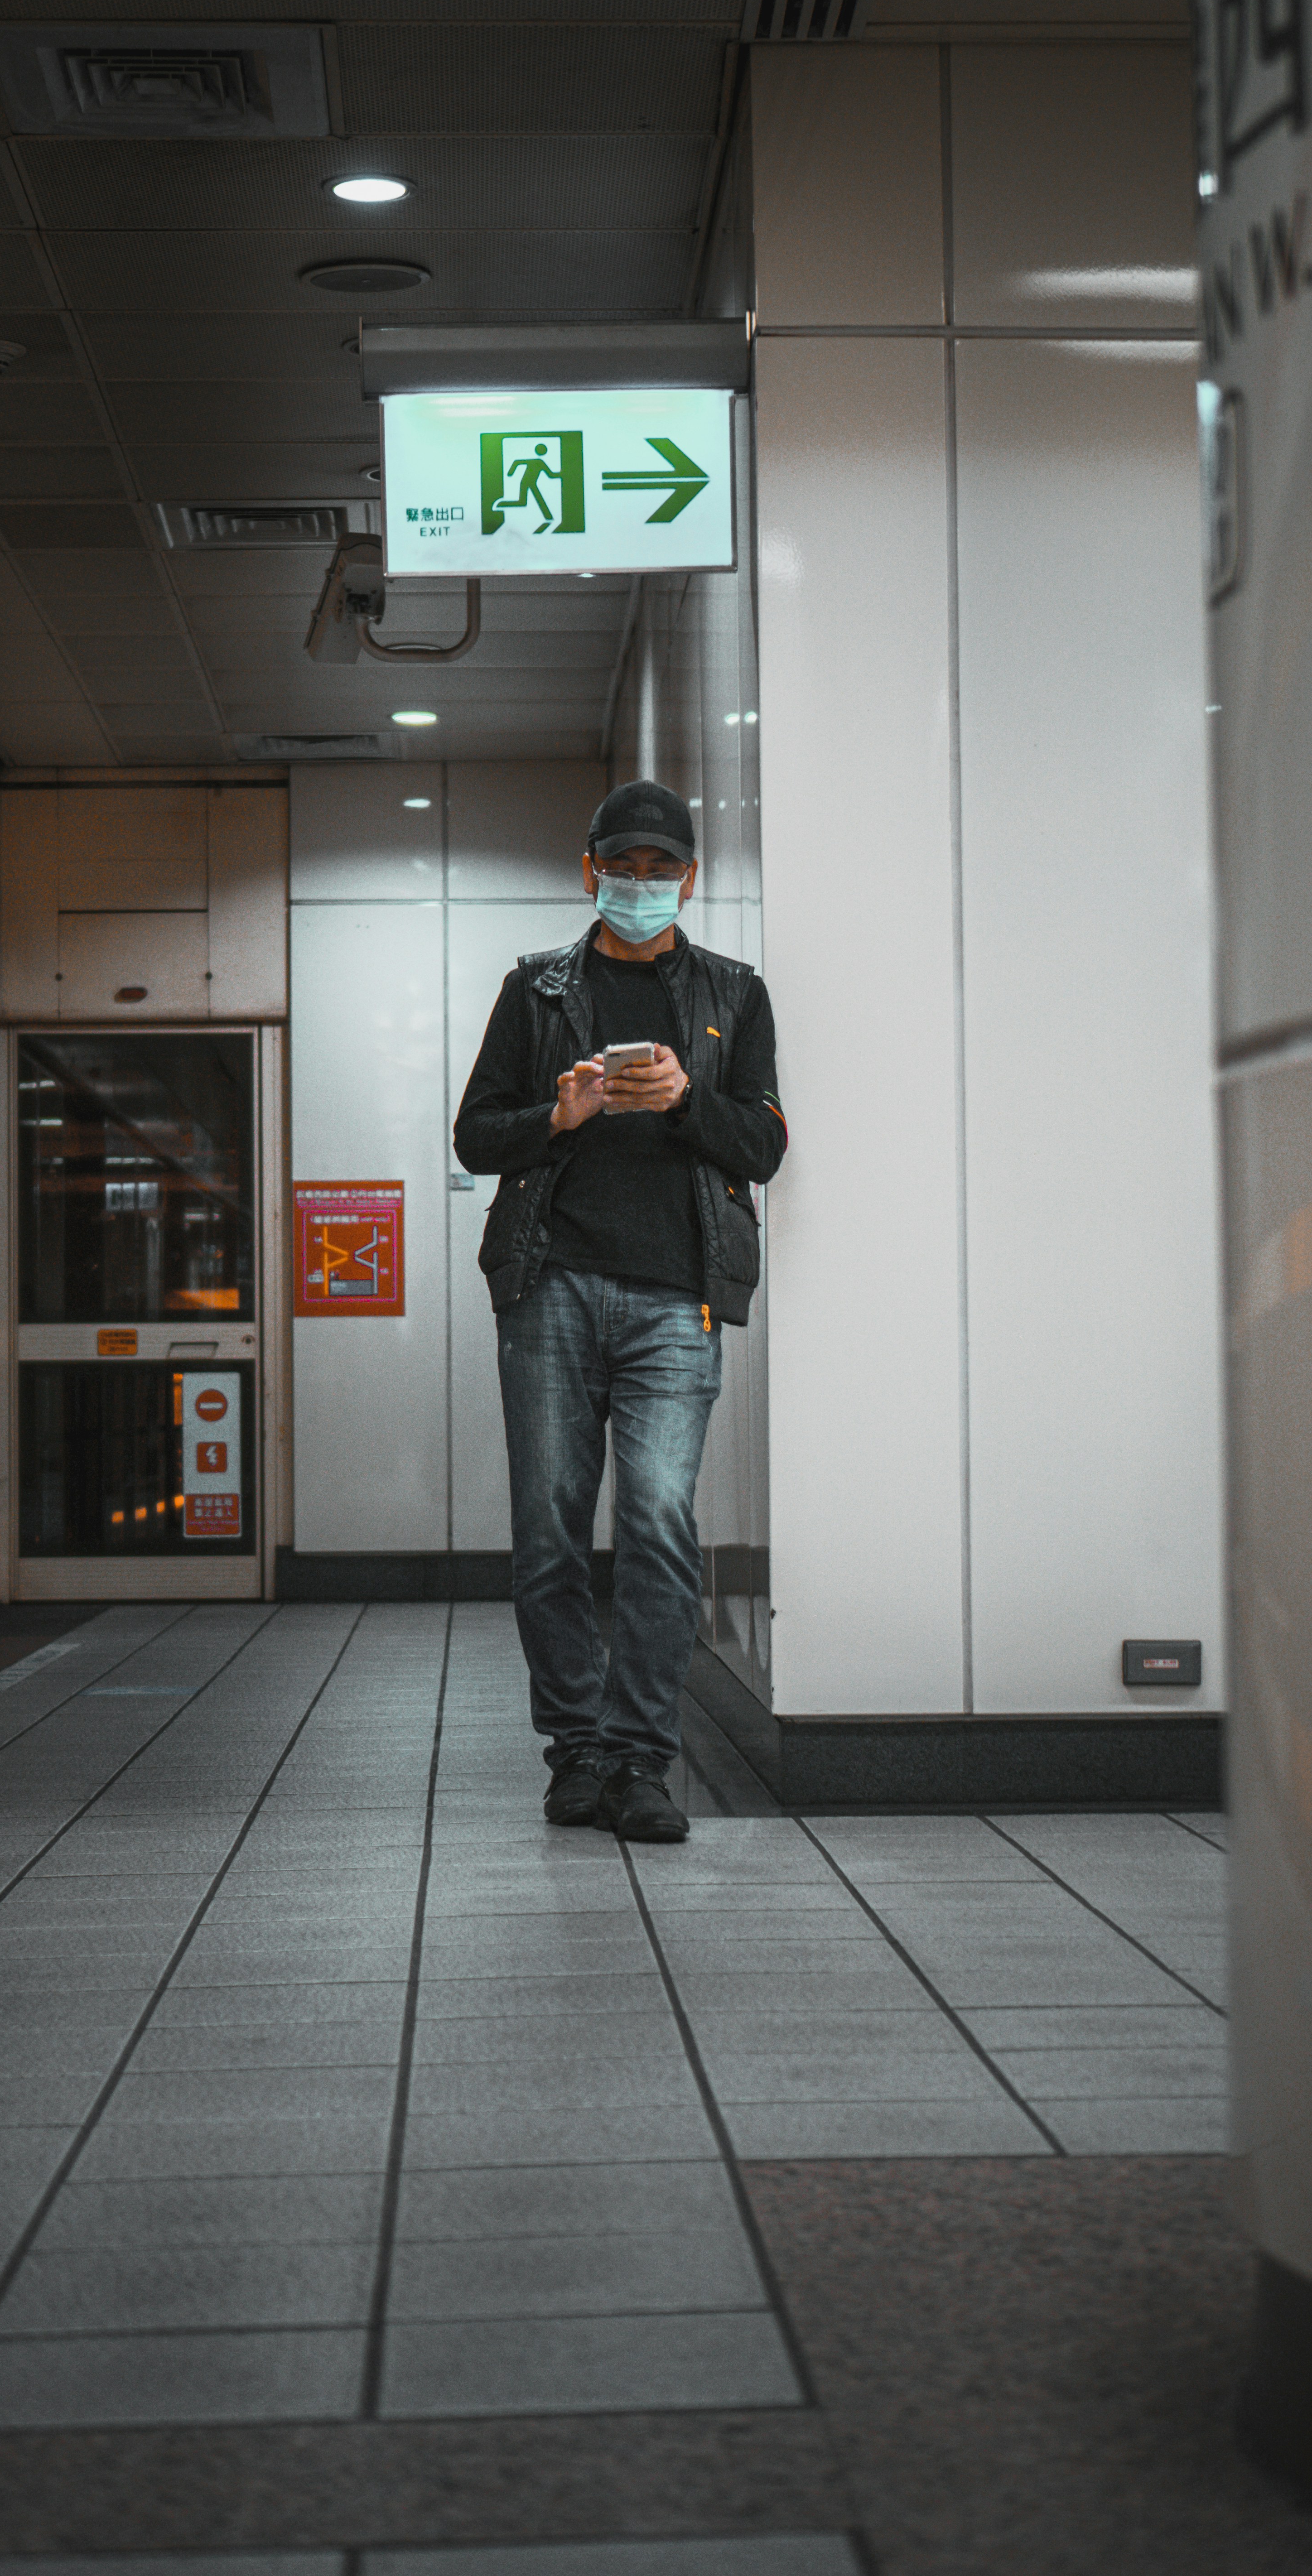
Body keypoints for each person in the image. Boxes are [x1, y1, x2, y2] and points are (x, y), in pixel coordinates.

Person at [452, 779, 787, 1843]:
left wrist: (689, 1100)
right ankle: (577, 1752)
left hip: (673, 1301)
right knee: (549, 1531)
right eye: (620, 866)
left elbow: (766, 1145)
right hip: (549, 1288)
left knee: (655, 1525)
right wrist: (560, 1111)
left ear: (690, 877)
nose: (639, 885)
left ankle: (641, 1759)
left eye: (658, 868)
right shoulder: (536, 990)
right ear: (587, 870)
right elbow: (474, 1136)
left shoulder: (734, 995)